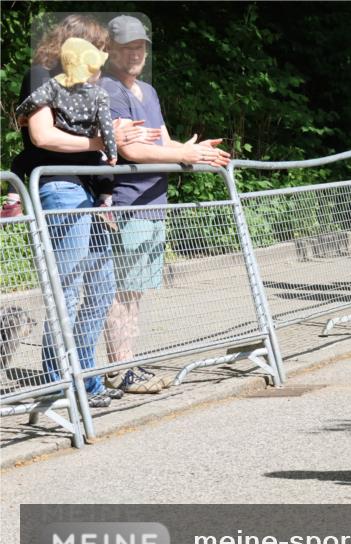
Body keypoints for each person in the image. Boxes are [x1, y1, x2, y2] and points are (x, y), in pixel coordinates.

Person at [11, 14, 159, 409]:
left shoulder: (90, 84)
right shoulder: (42, 75)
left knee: (100, 287)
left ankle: (84, 376)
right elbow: (43, 135)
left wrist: (107, 179)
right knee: (70, 287)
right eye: (97, 45)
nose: (102, 54)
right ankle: (58, 379)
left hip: (92, 192)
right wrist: (100, 142)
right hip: (59, 187)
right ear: (74, 43)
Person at [98, 15, 231, 394]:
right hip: (127, 202)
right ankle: (119, 369)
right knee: (121, 291)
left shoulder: (148, 91)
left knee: (133, 291)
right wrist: (185, 154)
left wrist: (193, 151)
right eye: (128, 48)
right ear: (109, 51)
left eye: (140, 47)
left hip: (153, 202)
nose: (136, 54)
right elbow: (129, 147)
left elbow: (164, 142)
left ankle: (126, 364)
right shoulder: (109, 90)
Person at [15, 38, 118, 166]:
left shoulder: (55, 85)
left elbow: (33, 100)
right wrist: (112, 153)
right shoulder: (100, 94)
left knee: (19, 162)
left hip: (63, 145)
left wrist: (22, 113)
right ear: (91, 69)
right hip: (86, 146)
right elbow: (106, 126)